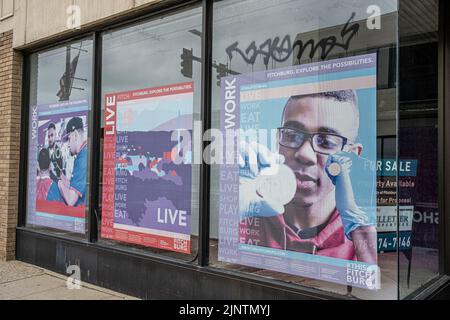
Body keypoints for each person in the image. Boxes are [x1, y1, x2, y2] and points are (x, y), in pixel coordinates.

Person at [239, 90, 377, 264]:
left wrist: (360, 233)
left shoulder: (364, 240)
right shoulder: (246, 221)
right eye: (291, 135)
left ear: (353, 157)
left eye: (326, 141)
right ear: (277, 140)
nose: (304, 154)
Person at [47, 117, 87, 207]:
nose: (68, 144)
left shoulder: (83, 158)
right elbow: (72, 186)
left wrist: (57, 181)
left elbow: (71, 200)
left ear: (75, 135)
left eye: (69, 139)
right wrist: (59, 173)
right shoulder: (83, 154)